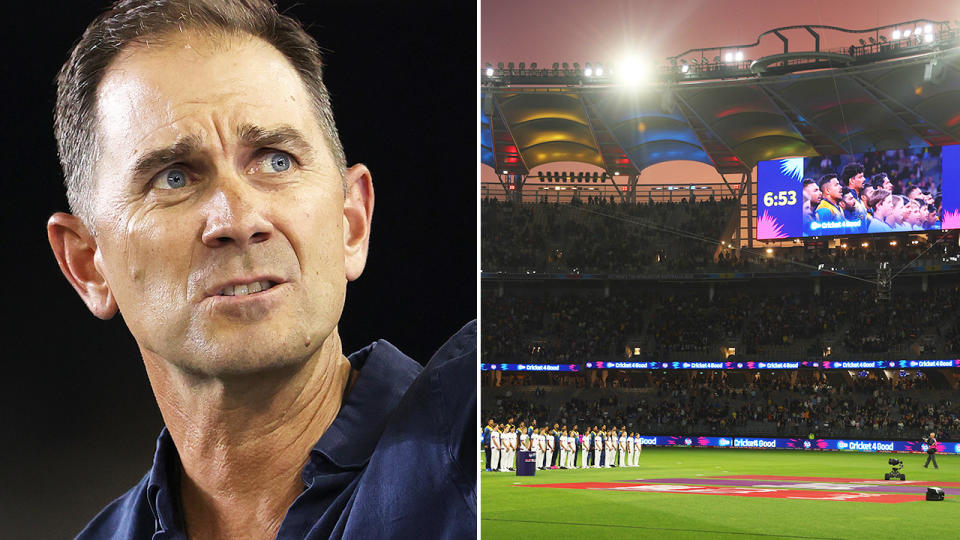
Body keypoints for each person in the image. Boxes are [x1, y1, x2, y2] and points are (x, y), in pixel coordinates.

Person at [48, 3, 475, 538]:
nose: (239, 220)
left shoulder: (490, 427)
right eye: (174, 178)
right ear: (89, 265)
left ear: (352, 222)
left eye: (276, 160)